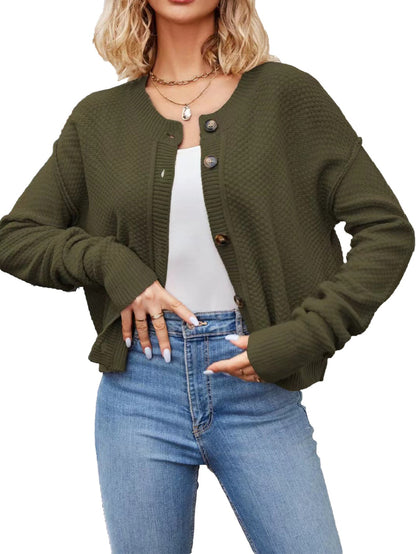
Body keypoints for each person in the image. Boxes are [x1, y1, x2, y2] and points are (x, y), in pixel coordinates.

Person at [0, 0, 414, 552]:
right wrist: (112, 263)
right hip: (139, 392)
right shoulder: (97, 119)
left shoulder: (287, 97)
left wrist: (304, 336)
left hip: (258, 386)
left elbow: (387, 231)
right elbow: (16, 236)